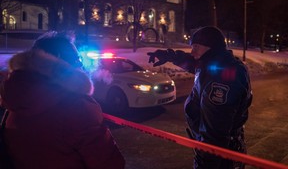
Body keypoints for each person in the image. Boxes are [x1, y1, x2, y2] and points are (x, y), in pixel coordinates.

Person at [0, 31, 125, 169]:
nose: (82, 66)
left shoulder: (14, 100)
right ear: (61, 61)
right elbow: (110, 164)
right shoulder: (77, 108)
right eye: (78, 59)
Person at [147, 26, 253, 169]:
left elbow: (215, 133)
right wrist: (169, 56)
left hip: (220, 159)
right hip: (222, 152)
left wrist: (205, 164)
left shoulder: (221, 78)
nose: (192, 51)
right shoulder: (215, 63)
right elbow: (192, 62)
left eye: (196, 47)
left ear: (211, 48)